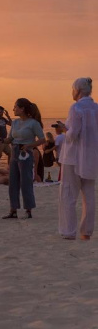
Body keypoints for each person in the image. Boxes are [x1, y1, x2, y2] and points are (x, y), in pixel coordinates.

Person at [58, 78, 98, 241]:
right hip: (91, 156)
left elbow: (73, 135)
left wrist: (63, 130)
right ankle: (86, 232)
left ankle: (68, 231)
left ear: (78, 90)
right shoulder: (96, 108)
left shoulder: (76, 107)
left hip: (73, 157)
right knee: (88, 195)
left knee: (68, 194)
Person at [2, 98, 46, 220]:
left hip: (26, 153)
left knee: (26, 182)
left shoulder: (33, 123)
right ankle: (13, 210)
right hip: (14, 151)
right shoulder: (15, 123)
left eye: (15, 107)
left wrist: (29, 145)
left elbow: (42, 139)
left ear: (22, 109)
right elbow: (10, 138)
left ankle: (28, 210)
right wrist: (1, 140)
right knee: (13, 181)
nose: (13, 109)